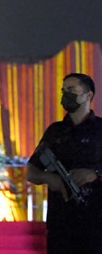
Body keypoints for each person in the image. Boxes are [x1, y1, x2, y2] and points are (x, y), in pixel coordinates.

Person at [27, 72, 102, 254]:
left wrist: (94, 174)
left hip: (96, 223)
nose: (65, 94)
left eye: (71, 90)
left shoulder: (100, 129)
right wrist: (49, 178)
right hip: (61, 223)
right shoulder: (55, 132)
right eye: (63, 90)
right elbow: (32, 170)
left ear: (88, 95)